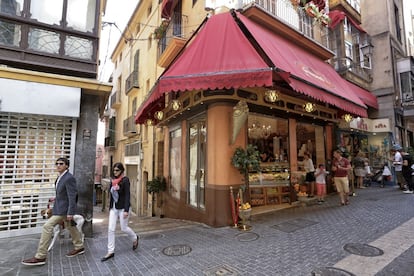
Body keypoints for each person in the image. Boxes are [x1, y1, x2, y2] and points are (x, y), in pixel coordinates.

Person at [22, 157, 84, 266]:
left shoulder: (69, 178)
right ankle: (79, 246)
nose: (58, 165)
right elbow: (63, 194)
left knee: (47, 226)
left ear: (66, 166)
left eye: (61, 164)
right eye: (57, 164)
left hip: (64, 210)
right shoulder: (60, 177)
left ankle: (40, 256)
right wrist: (56, 199)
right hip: (60, 207)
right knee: (71, 227)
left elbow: (72, 196)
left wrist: (70, 212)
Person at [101, 163, 139, 262]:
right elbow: (109, 191)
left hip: (123, 208)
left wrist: (126, 210)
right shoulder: (112, 180)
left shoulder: (125, 180)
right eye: (114, 170)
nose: (115, 172)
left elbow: (127, 195)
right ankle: (110, 251)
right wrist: (112, 188)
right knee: (111, 229)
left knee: (124, 228)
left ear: (121, 171)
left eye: (117, 170)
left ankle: (135, 238)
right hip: (114, 208)